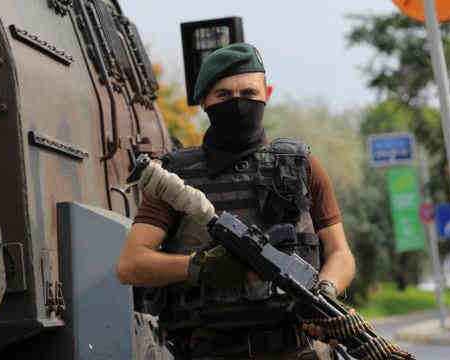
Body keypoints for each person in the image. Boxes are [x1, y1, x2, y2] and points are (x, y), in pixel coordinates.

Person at [117, 43, 356, 360]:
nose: (239, 103)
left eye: (248, 92)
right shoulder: (175, 176)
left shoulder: (301, 165)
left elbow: (340, 254)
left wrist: (323, 295)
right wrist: (200, 267)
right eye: (224, 95)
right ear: (203, 100)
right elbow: (130, 265)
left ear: (267, 93)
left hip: (295, 350)